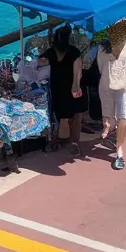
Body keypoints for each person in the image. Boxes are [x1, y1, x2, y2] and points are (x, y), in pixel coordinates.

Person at [97, 18, 126, 170]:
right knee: (124, 115)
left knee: (112, 115)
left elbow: (100, 67)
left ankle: (113, 137)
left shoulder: (103, 48)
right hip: (124, 86)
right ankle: (119, 149)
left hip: (108, 84)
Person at [44, 25, 86, 156]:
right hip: (70, 88)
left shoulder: (50, 52)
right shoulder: (74, 51)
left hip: (57, 89)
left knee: (55, 116)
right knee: (75, 116)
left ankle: (53, 141)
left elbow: (39, 63)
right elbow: (78, 71)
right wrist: (76, 85)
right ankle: (74, 143)